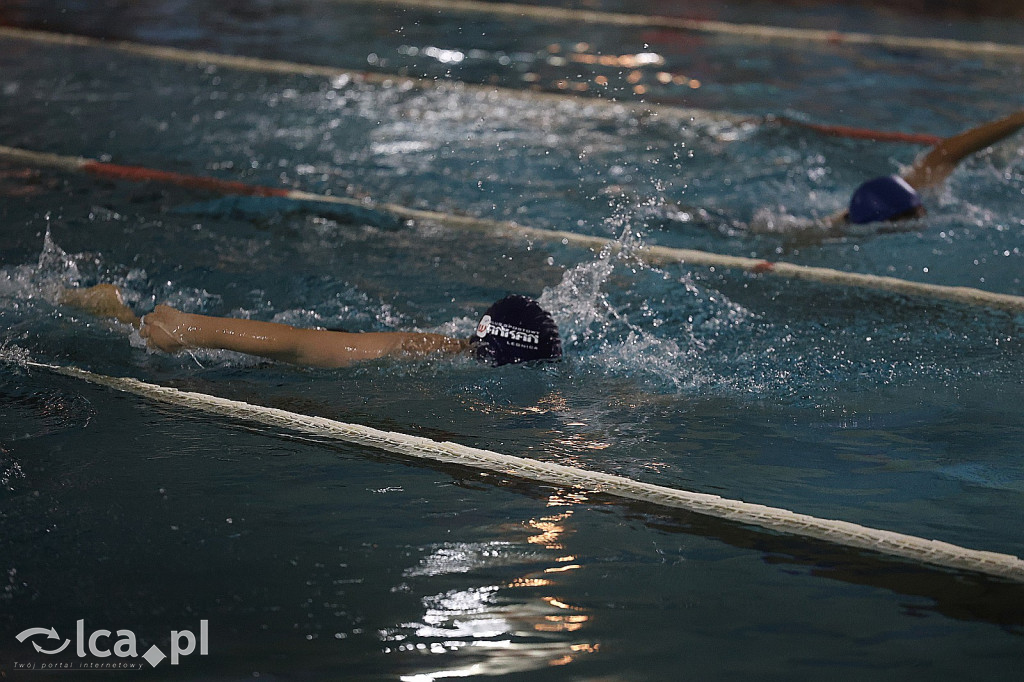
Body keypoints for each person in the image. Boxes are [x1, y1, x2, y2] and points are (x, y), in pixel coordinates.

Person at [60, 284, 562, 368]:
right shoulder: (427, 350)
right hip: (274, 363)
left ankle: (121, 315)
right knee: (148, 338)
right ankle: (121, 312)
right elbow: (308, 347)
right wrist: (193, 329)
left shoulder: (451, 351)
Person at [829, 109, 1024, 226]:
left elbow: (947, 152)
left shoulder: (917, 190)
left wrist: (1018, 119)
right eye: (916, 213)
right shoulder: (854, 228)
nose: (923, 213)